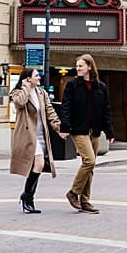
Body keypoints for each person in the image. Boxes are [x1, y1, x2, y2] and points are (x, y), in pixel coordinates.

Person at [60, 53, 115, 214]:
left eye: (81, 66)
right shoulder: (72, 85)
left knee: (90, 167)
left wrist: (110, 131)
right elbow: (66, 107)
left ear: (90, 67)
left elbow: (106, 110)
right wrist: (65, 127)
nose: (78, 68)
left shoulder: (101, 87)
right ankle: (73, 193)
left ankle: (85, 201)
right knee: (89, 161)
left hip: (95, 131)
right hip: (79, 130)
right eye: (77, 66)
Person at [9, 67, 63, 214]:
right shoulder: (17, 92)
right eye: (36, 76)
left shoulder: (41, 93)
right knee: (39, 164)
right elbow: (20, 103)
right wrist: (26, 87)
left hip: (41, 135)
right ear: (28, 78)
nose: (39, 78)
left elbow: (50, 111)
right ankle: (28, 197)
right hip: (28, 136)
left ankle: (27, 195)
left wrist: (59, 129)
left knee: (37, 167)